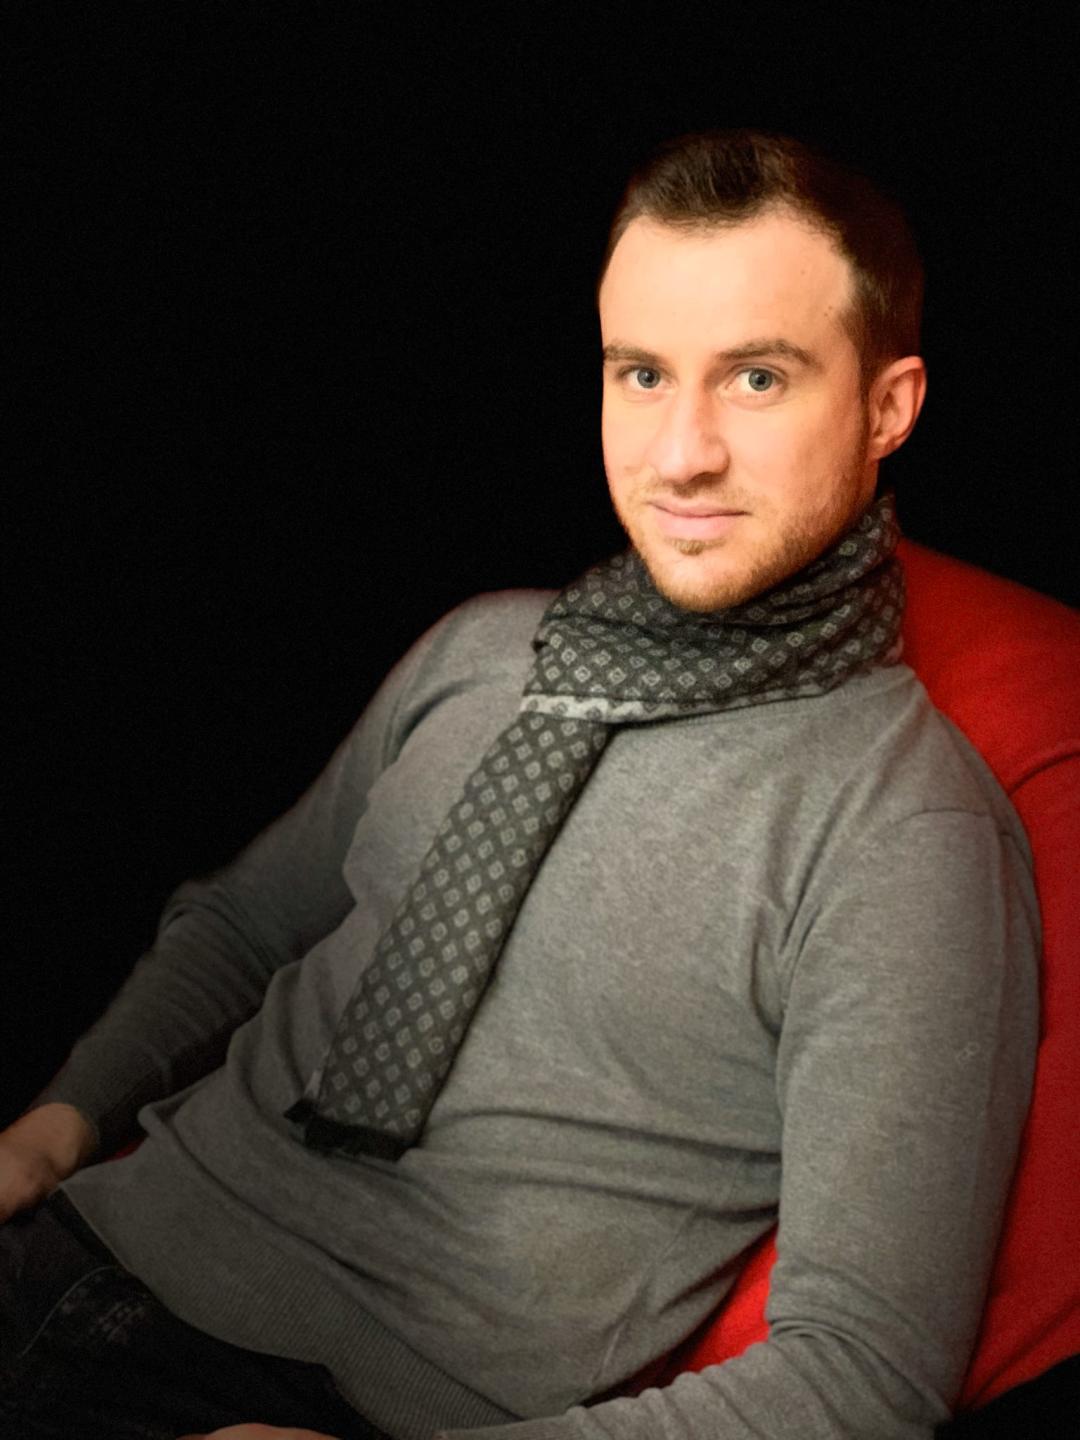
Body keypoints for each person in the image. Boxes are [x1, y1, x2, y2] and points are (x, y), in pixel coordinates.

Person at [0, 130, 1039, 1440]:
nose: (682, 453)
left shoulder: (905, 833)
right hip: (79, 1239)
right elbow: (244, 924)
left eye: (757, 378)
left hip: (325, 1404)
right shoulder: (484, 649)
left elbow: (862, 1375)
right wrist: (61, 1118)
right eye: (642, 374)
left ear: (888, 408)